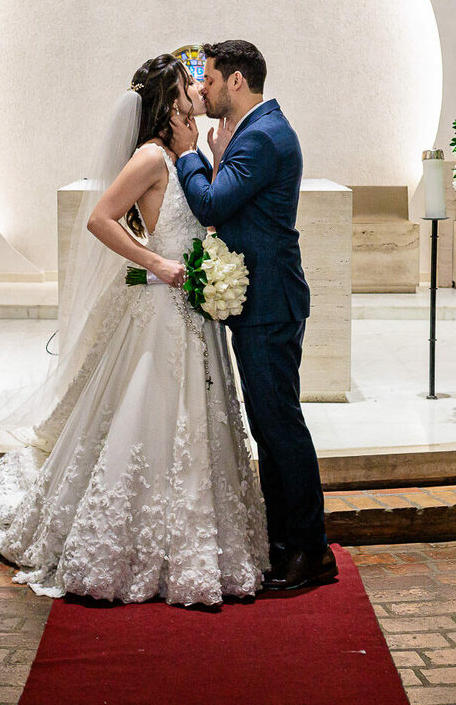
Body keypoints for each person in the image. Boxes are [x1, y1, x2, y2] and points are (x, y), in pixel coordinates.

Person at [0, 54, 267, 606]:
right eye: (189, 85)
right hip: (161, 308)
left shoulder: (184, 152)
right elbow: (100, 217)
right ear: (169, 99)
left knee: (197, 424)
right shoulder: (151, 156)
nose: (197, 92)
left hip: (194, 312)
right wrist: (155, 262)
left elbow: (208, 210)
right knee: (151, 414)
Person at [170, 39, 333, 592]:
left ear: (236, 80)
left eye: (210, 79)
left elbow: (213, 205)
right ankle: (286, 542)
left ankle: (312, 551)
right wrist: (213, 158)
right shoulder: (254, 132)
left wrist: (189, 154)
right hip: (262, 298)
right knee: (270, 424)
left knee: (279, 424)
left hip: (270, 302)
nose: (204, 90)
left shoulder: (262, 136)